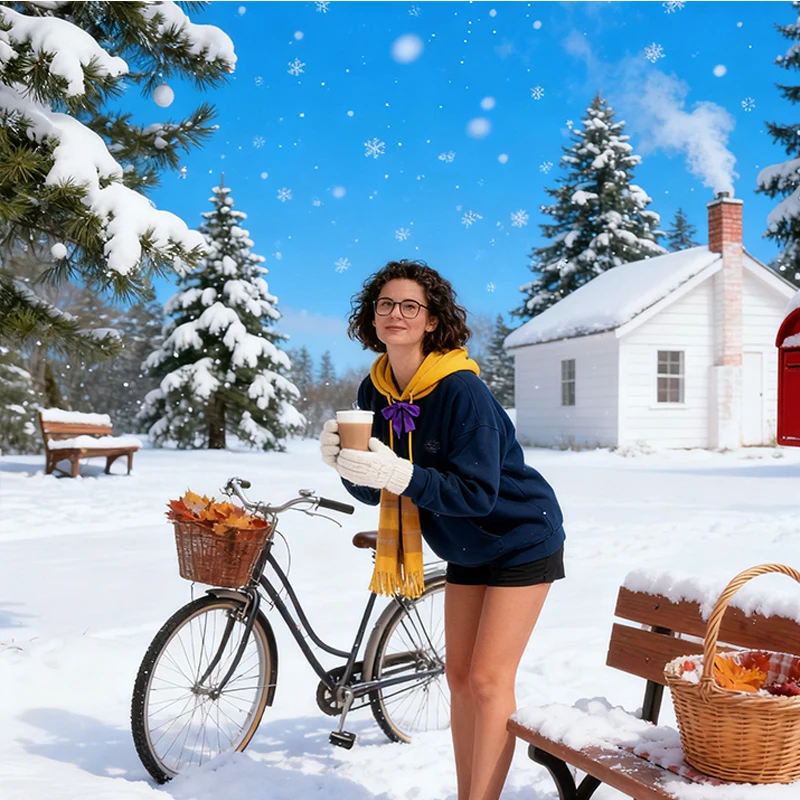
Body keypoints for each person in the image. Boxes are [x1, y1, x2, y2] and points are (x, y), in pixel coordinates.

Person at [319, 259, 565, 800]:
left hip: (520, 534)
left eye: (411, 306)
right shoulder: (375, 391)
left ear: (432, 321)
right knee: (457, 679)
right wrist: (346, 464)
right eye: (385, 304)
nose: (396, 314)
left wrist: (401, 473)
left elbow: (477, 494)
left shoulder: (461, 392)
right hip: (464, 544)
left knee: (486, 680)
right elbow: (376, 491)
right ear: (372, 316)